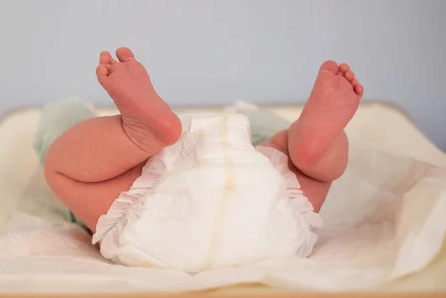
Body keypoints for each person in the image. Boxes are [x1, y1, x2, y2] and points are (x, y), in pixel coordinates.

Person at [43, 47, 364, 246]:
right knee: (305, 165)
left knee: (60, 163)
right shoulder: (257, 153)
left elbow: (67, 158)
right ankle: (309, 146)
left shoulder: (133, 188)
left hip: (153, 223)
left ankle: (133, 138)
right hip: (270, 223)